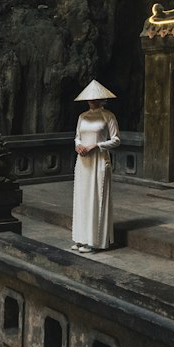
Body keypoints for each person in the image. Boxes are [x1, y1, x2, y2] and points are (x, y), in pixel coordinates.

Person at [71, 78, 120, 253]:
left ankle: (94, 241)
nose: (91, 101)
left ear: (100, 99)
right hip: (83, 161)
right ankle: (80, 238)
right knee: (82, 198)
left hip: (99, 160)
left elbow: (116, 140)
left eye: (94, 98)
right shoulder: (82, 116)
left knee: (95, 198)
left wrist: (97, 145)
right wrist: (78, 145)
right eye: (89, 99)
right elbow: (77, 136)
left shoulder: (108, 116)